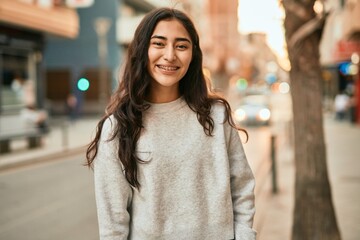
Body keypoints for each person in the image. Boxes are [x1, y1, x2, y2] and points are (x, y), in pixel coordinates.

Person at [86, 7, 256, 240]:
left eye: (181, 46)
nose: (170, 55)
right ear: (142, 50)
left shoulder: (216, 116)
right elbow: (113, 224)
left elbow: (242, 187)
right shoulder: (118, 127)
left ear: (193, 55)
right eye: (159, 43)